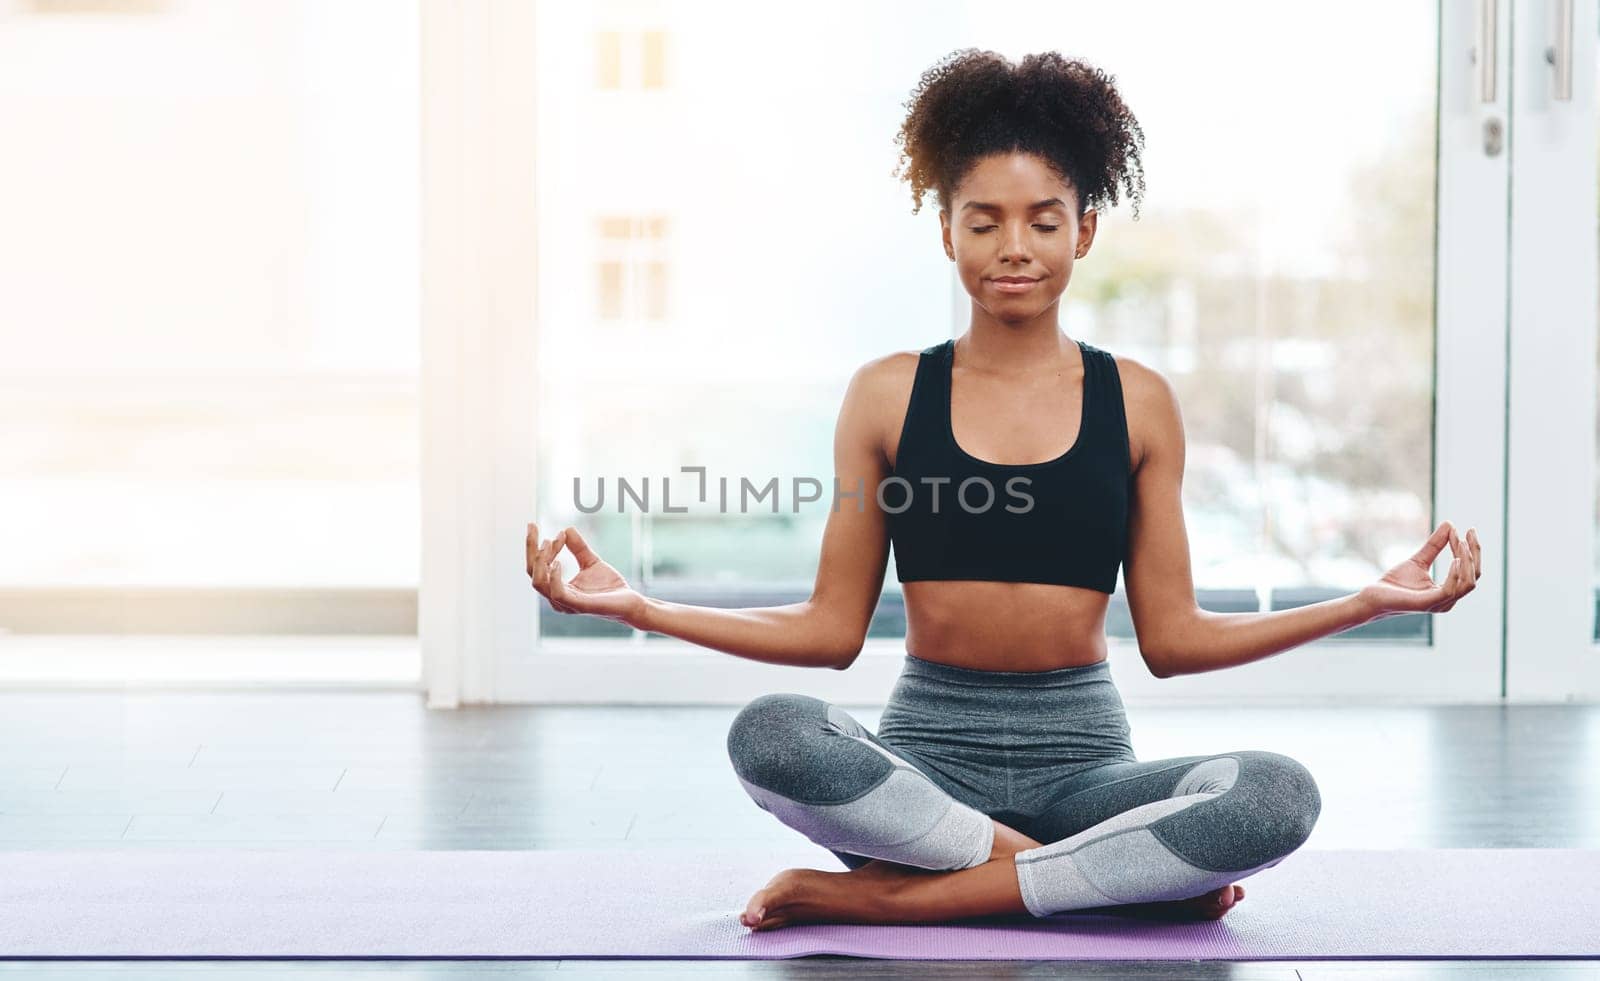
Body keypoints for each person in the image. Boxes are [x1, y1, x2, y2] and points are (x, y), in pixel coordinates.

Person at [525, 48, 1483, 932]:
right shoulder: (888, 393)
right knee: (771, 736)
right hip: (921, 786)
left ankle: (893, 901)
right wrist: (642, 605)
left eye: (1042, 220)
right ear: (947, 232)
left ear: (1088, 230)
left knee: (1278, 794)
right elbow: (828, 631)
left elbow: (1176, 641)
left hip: (1087, 768)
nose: (1012, 245)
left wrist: (1365, 601)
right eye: (983, 220)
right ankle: (1086, 882)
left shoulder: (1139, 402)